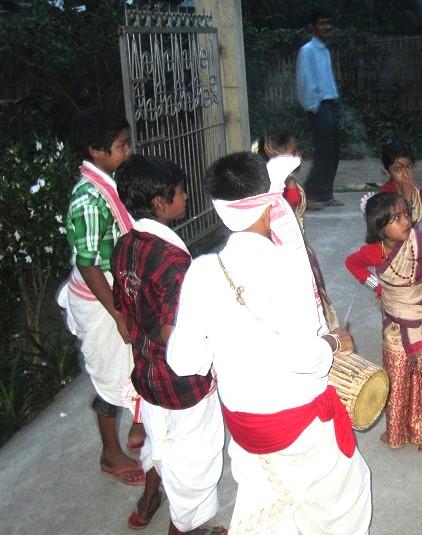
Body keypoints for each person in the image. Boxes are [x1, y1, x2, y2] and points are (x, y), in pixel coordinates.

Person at [167, 152, 372, 533]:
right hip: (297, 425)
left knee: (272, 505)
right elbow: (308, 359)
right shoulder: (286, 266)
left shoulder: (201, 271)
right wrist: (334, 342)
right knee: (348, 499)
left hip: (245, 428)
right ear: (266, 206)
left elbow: (183, 363)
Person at [111, 155, 225, 534]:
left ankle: (148, 502)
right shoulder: (173, 259)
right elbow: (173, 335)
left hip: (146, 374)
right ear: (160, 203)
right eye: (180, 192)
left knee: (160, 442)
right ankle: (185, 529)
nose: (187, 197)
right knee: (195, 459)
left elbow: (123, 306)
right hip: (181, 383)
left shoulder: (124, 246)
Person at [57, 107, 145, 486]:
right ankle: (110, 453)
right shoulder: (89, 200)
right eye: (121, 145)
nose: (128, 151)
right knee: (110, 376)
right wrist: (118, 314)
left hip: (116, 289)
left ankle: (139, 422)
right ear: (96, 150)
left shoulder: (107, 183)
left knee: (135, 361)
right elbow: (90, 265)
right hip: (101, 301)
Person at [345, 191, 422, 451]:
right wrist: (378, 288)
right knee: (397, 370)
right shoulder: (376, 253)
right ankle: (396, 429)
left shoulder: (421, 240)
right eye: (396, 218)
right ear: (379, 227)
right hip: (395, 319)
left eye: (406, 213)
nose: (406, 221)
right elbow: (352, 264)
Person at [255, 128, 341, 328]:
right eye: (293, 152)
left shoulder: (283, 178)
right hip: (285, 250)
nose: (299, 156)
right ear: (275, 152)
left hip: (296, 245)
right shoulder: (274, 182)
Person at [296, 8, 343, 210]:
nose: (326, 27)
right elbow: (305, 81)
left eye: (328, 23)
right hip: (319, 107)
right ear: (313, 27)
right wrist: (314, 107)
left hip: (330, 105)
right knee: (323, 152)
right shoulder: (307, 51)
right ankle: (310, 195)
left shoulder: (324, 50)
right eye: (322, 23)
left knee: (333, 151)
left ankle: (325, 194)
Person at [379, 139, 422, 224]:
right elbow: (396, 222)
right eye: (397, 169)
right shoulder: (386, 193)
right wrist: (406, 198)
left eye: (409, 167)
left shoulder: (411, 185)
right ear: (387, 172)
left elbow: (421, 199)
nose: (405, 174)